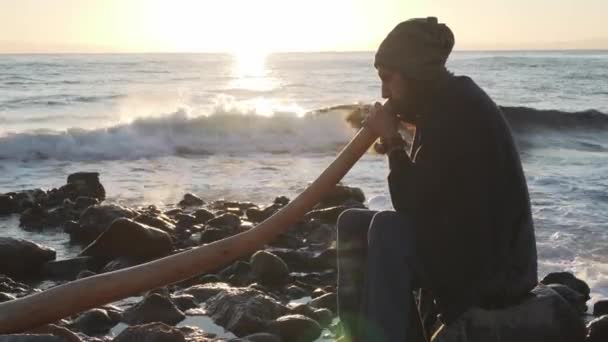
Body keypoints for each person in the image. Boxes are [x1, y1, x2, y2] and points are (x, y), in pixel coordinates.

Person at [336, 17, 538, 341]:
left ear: (414, 72)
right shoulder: (440, 103)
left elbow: (411, 204)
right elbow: (427, 203)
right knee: (352, 223)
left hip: (497, 270)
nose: (384, 91)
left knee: (387, 230)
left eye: (388, 79)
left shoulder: (458, 111)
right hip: (467, 247)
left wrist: (392, 140)